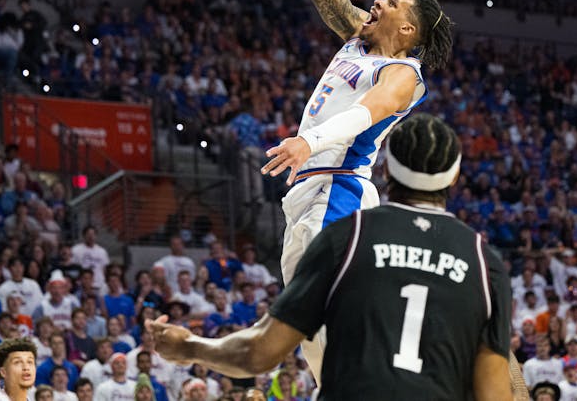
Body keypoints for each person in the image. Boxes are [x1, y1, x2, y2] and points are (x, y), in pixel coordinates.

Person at [149, 114, 510, 401]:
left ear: (384, 170)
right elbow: (496, 393)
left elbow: (259, 353)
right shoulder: (484, 261)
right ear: (456, 175)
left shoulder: (348, 236)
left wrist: (188, 347)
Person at [259, 0, 453, 380]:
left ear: (407, 31)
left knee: (322, 326)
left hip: (337, 192)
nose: (377, 5)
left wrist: (310, 141)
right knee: (314, 340)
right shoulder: (358, 39)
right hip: (309, 194)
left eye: (389, 3)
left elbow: (365, 113)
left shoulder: (404, 76)